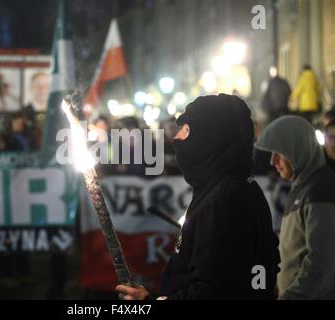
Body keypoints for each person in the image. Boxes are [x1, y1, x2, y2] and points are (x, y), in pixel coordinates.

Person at [116, 94, 280, 300]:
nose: (177, 139)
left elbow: (211, 292)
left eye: (186, 130)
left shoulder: (223, 200)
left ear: (210, 138)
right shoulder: (240, 186)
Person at [255, 115, 335, 299]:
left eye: (279, 153)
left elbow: (321, 261)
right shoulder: (303, 187)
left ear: (297, 149)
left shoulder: (321, 190)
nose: (272, 161)